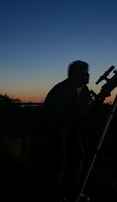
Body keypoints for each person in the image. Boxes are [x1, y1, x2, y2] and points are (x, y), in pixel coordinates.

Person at [43, 60, 92, 202]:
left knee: (78, 157)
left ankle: (73, 192)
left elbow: (82, 113)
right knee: (60, 162)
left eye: (88, 73)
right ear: (74, 75)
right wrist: (83, 105)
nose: (88, 76)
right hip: (55, 127)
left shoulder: (84, 89)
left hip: (71, 127)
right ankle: (55, 195)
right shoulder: (61, 89)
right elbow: (61, 114)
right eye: (84, 73)